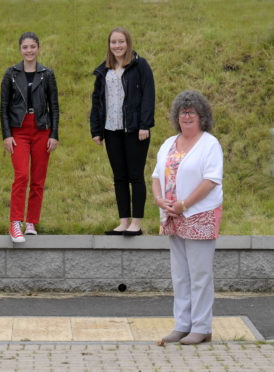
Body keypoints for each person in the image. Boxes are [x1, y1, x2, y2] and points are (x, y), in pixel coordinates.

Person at [152, 90, 223, 345]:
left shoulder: (209, 144)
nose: (187, 116)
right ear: (177, 117)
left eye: (192, 111)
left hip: (199, 215)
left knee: (200, 274)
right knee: (180, 274)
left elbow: (211, 180)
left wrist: (184, 204)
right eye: (183, 112)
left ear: (202, 116)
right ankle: (182, 324)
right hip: (173, 216)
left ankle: (201, 327)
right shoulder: (169, 143)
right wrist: (160, 199)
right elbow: (157, 176)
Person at [90, 27, 155, 236]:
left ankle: (136, 223)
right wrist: (96, 130)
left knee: (135, 176)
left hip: (135, 129)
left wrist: (145, 125)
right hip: (111, 130)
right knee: (119, 177)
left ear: (128, 43)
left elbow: (148, 95)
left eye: (121, 42)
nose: (117, 46)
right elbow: (97, 101)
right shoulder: (104, 70)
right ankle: (123, 221)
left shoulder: (140, 65)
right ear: (109, 45)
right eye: (113, 42)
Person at [0, 32, 59, 243]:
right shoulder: (11, 74)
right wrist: (7, 135)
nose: (29, 51)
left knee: (38, 179)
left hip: (42, 130)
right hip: (19, 131)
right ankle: (15, 222)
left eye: (33, 46)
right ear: (20, 50)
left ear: (38, 48)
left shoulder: (47, 74)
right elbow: (4, 107)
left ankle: (31, 222)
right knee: (22, 175)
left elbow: (54, 107)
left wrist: (54, 134)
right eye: (25, 47)